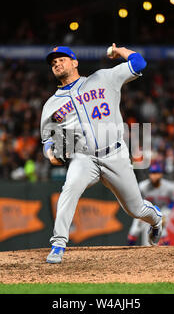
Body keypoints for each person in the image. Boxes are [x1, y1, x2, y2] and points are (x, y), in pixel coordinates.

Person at [40, 45, 164, 263]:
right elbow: (47, 139)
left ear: (75, 62)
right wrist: (50, 153)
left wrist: (121, 51)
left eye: (61, 59)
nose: (57, 64)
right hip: (83, 157)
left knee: (135, 209)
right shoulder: (51, 104)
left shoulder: (104, 78)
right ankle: (58, 244)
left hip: (115, 154)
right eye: (53, 63)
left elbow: (139, 64)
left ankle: (155, 220)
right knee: (69, 190)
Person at [127, 163, 174, 246]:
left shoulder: (168, 187)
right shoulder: (143, 186)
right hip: (145, 211)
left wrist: (166, 214)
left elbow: (173, 200)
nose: (153, 176)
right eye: (152, 173)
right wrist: (140, 214)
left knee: (163, 233)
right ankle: (127, 253)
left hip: (161, 211)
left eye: (156, 173)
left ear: (161, 174)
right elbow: (137, 200)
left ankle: (168, 255)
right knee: (134, 231)